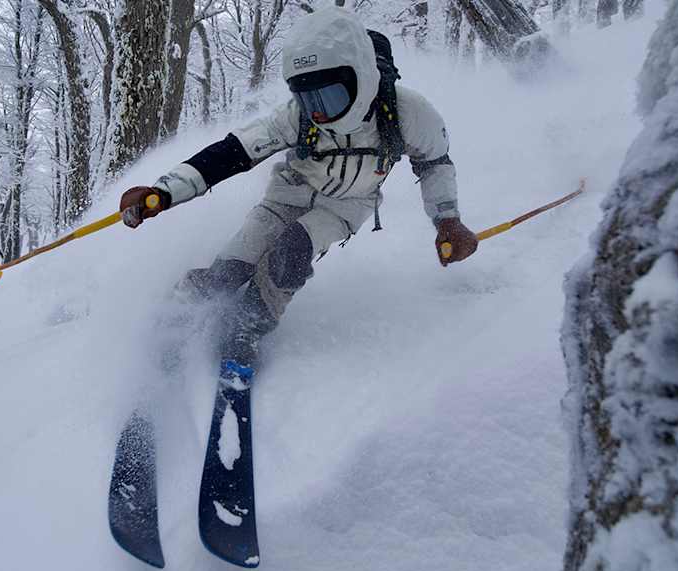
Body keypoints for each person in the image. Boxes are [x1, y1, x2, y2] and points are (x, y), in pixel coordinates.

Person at [119, 7, 479, 365]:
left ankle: (248, 326)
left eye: (329, 98)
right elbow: (233, 152)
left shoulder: (409, 113)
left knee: (290, 254)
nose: (318, 114)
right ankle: (175, 318)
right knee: (232, 268)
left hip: (344, 207)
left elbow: (434, 164)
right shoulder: (298, 115)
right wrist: (165, 192)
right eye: (308, 99)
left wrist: (447, 220)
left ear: (362, 78)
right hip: (286, 196)